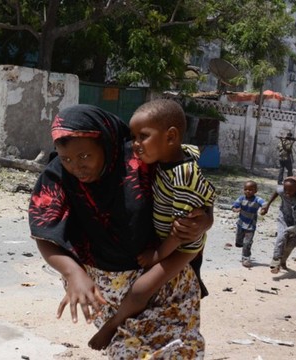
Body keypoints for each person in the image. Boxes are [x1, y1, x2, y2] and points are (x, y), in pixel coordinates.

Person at [28, 104, 213, 359]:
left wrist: (206, 220)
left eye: (84, 156)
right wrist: (73, 274)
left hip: (166, 282)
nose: (76, 166)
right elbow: (44, 233)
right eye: (67, 159)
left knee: (177, 349)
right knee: (127, 351)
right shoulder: (58, 176)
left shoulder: (140, 159)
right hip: (105, 292)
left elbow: (192, 188)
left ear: (105, 144)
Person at [88, 99, 215, 351]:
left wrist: (157, 255)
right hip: (167, 234)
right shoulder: (173, 156)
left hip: (184, 245)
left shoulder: (183, 176)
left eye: (143, 136)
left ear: (170, 137)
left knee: (143, 287)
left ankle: (111, 326)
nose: (135, 144)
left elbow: (181, 232)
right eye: (133, 137)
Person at [260, 176, 296, 274]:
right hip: (283, 217)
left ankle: (282, 262)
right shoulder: (283, 189)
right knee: (282, 235)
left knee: (289, 245)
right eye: (285, 190)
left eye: (290, 190)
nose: (287, 193)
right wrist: (267, 205)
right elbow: (277, 191)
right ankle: (276, 261)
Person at [231, 180, 267, 268]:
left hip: (251, 225)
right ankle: (239, 242)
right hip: (241, 223)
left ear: (255, 191)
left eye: (251, 189)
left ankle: (246, 258)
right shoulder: (241, 198)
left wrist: (264, 209)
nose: (248, 191)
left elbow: (265, 204)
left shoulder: (257, 199)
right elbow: (234, 206)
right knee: (239, 240)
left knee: (247, 243)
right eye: (246, 189)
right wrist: (236, 209)